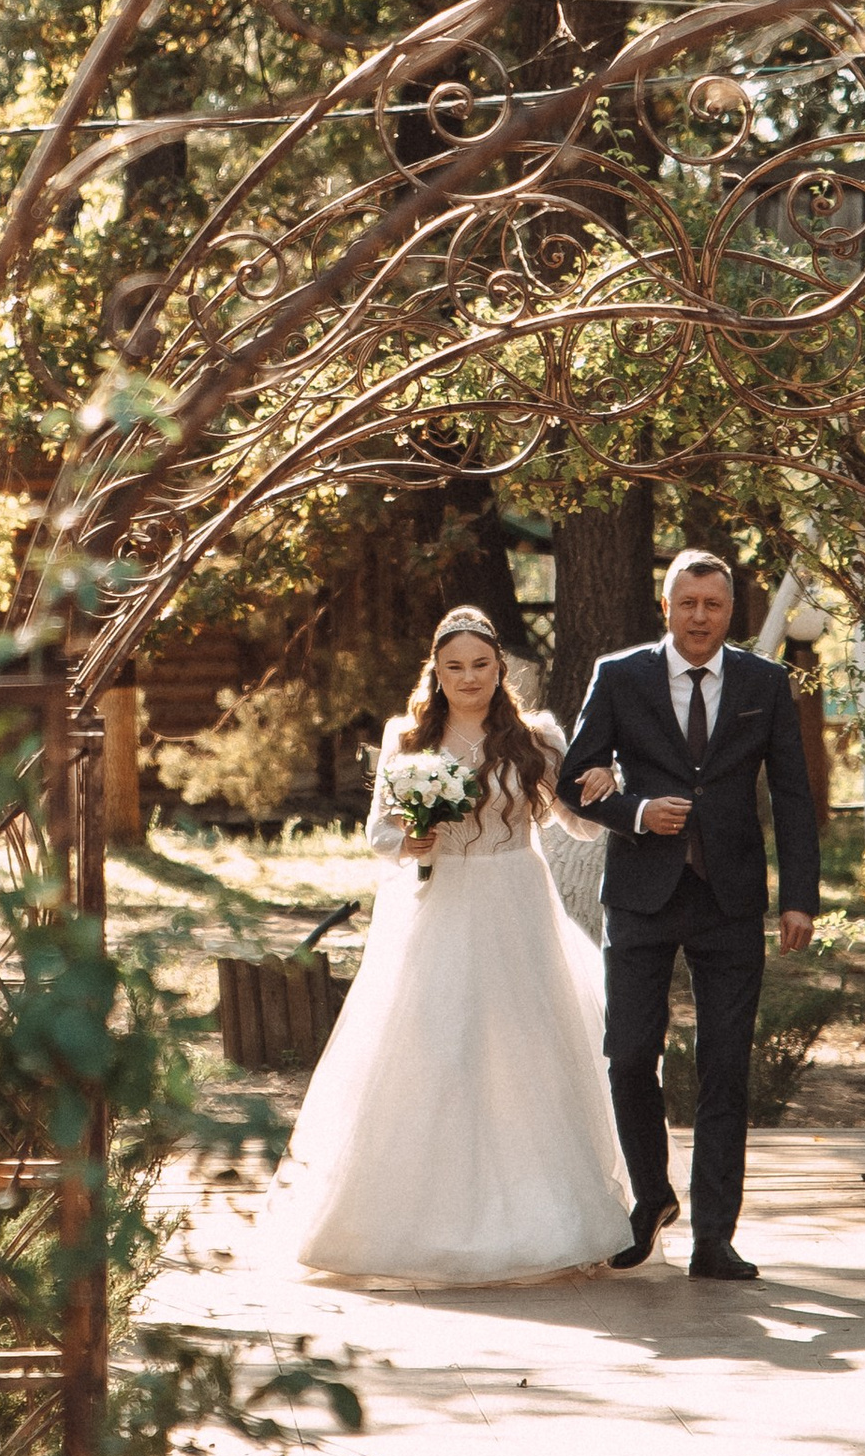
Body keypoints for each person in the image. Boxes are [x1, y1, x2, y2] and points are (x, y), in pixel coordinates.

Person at [259, 607, 634, 1286]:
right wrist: (415, 838)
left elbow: (577, 827)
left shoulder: (535, 737)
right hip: (441, 906)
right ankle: (417, 1221)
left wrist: (607, 786)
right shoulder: (408, 738)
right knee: (438, 1050)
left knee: (522, 1054)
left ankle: (541, 1220)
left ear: (500, 668)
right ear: (435, 668)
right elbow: (377, 831)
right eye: (454, 666)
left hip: (517, 904)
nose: (468, 678)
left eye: (480, 665)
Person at [557, 547, 821, 1284]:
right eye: (687, 603)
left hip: (731, 899)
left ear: (729, 611)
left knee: (725, 1069)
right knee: (630, 1054)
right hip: (641, 893)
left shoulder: (765, 682)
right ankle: (651, 1199)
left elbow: (794, 794)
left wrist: (801, 895)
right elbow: (572, 783)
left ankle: (716, 1237)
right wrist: (636, 810)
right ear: (665, 607)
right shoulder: (620, 675)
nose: (699, 616)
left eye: (712, 604)